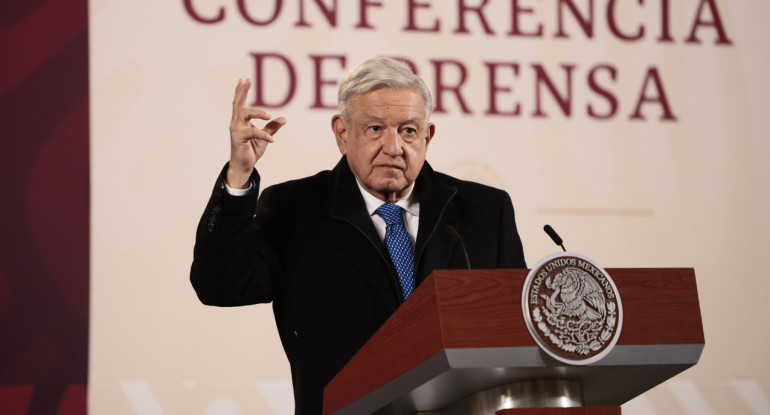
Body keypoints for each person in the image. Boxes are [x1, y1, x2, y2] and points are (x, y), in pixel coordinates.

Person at [191, 57, 526, 414]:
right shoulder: (295, 209)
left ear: (427, 137)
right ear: (342, 133)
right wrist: (239, 175)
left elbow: (516, 334)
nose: (394, 147)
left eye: (409, 131)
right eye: (375, 129)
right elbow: (220, 285)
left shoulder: (486, 212)